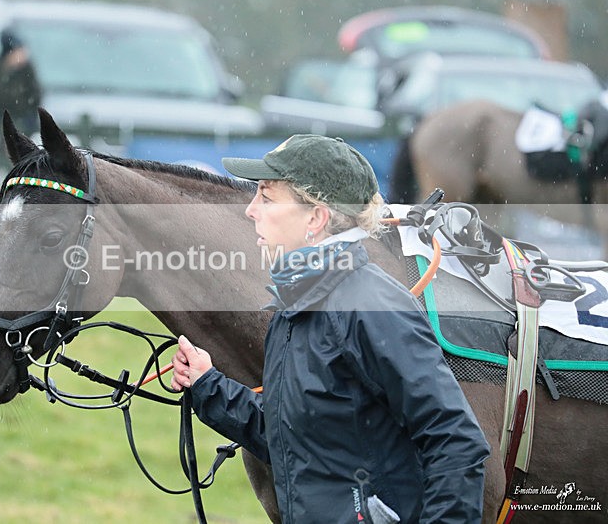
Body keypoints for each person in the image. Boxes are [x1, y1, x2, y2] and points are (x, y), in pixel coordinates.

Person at [171, 135, 490, 523]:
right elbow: (292, 440)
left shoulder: (371, 306)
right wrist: (207, 385)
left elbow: (457, 443)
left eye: (267, 198)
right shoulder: (294, 307)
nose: (251, 210)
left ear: (316, 218)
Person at [0, 28, 41, 133]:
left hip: (22, 117)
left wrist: (30, 114)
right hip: (0, 117)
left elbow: (35, 94)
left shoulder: (27, 69)